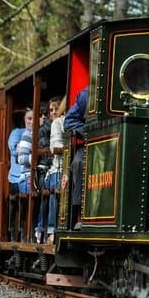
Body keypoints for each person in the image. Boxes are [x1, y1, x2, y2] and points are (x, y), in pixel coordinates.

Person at [63, 87, 88, 228]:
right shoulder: (86, 94)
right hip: (89, 143)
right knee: (79, 162)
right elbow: (69, 121)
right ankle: (79, 213)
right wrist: (89, 132)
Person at [8, 108, 34, 241]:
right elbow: (14, 150)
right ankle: (12, 231)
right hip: (15, 175)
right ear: (24, 119)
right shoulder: (16, 132)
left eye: (33, 119)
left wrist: (22, 147)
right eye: (29, 118)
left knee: (27, 203)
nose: (31, 121)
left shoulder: (37, 132)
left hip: (29, 174)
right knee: (14, 202)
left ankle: (25, 232)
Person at [43, 97, 66, 243]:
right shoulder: (57, 123)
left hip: (67, 167)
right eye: (51, 110)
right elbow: (55, 146)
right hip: (56, 168)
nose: (53, 112)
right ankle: (52, 229)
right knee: (56, 186)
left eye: (56, 109)